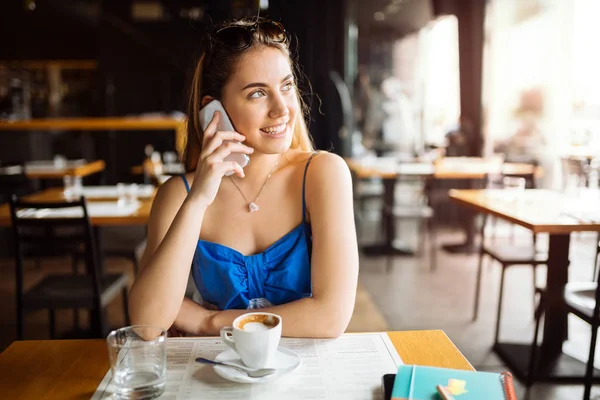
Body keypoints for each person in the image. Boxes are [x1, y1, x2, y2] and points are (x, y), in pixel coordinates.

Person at [128, 17, 359, 338]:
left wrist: (207, 321)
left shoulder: (323, 174)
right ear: (215, 111)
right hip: (215, 375)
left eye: (286, 86)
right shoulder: (179, 194)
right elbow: (148, 324)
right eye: (257, 94)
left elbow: (330, 318)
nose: (282, 109)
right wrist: (198, 200)